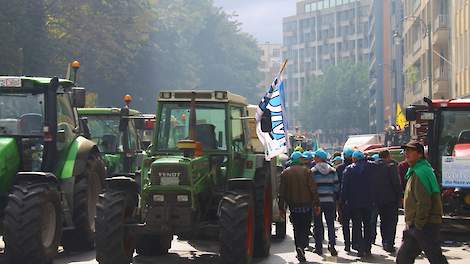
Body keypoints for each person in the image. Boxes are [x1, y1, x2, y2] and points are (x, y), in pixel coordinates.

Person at [396, 141, 448, 264]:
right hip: (418, 225)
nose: (406, 154)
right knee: (404, 258)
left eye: (410, 151)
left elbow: (424, 202)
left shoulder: (420, 172)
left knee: (435, 258)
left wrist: (418, 225)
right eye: (406, 151)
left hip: (424, 225)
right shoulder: (417, 170)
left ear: (419, 154)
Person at [279, 151, 321, 263]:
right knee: (305, 227)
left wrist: (281, 208)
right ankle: (302, 246)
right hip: (307, 206)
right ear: (299, 160)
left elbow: (281, 193)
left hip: (293, 206)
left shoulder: (285, 173)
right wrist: (317, 204)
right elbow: (313, 189)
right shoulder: (307, 172)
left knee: (296, 228)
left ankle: (299, 247)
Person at [342, 150, 374, 257]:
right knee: (368, 225)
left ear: (354, 159)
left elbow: (344, 188)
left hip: (354, 202)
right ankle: (368, 248)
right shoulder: (371, 168)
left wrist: (343, 201)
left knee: (357, 225)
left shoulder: (349, 169)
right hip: (368, 202)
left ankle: (360, 249)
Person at [370, 150, 402, 252]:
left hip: (376, 198)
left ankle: (384, 241)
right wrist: (399, 196)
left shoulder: (372, 166)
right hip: (390, 199)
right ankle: (389, 243)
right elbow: (396, 183)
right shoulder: (391, 166)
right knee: (391, 221)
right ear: (388, 156)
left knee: (383, 221)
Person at [311, 149, 339, 256]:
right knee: (330, 224)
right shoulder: (332, 170)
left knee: (318, 225)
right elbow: (336, 187)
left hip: (317, 202)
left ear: (318, 158)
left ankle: (318, 248)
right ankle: (332, 245)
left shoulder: (313, 171)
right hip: (330, 201)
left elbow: (312, 187)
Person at [337, 147, 354, 252]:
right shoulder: (356, 167)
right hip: (355, 200)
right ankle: (356, 243)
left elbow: (336, 185)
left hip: (343, 200)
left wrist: (338, 200)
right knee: (356, 223)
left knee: (345, 224)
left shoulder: (339, 168)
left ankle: (347, 244)